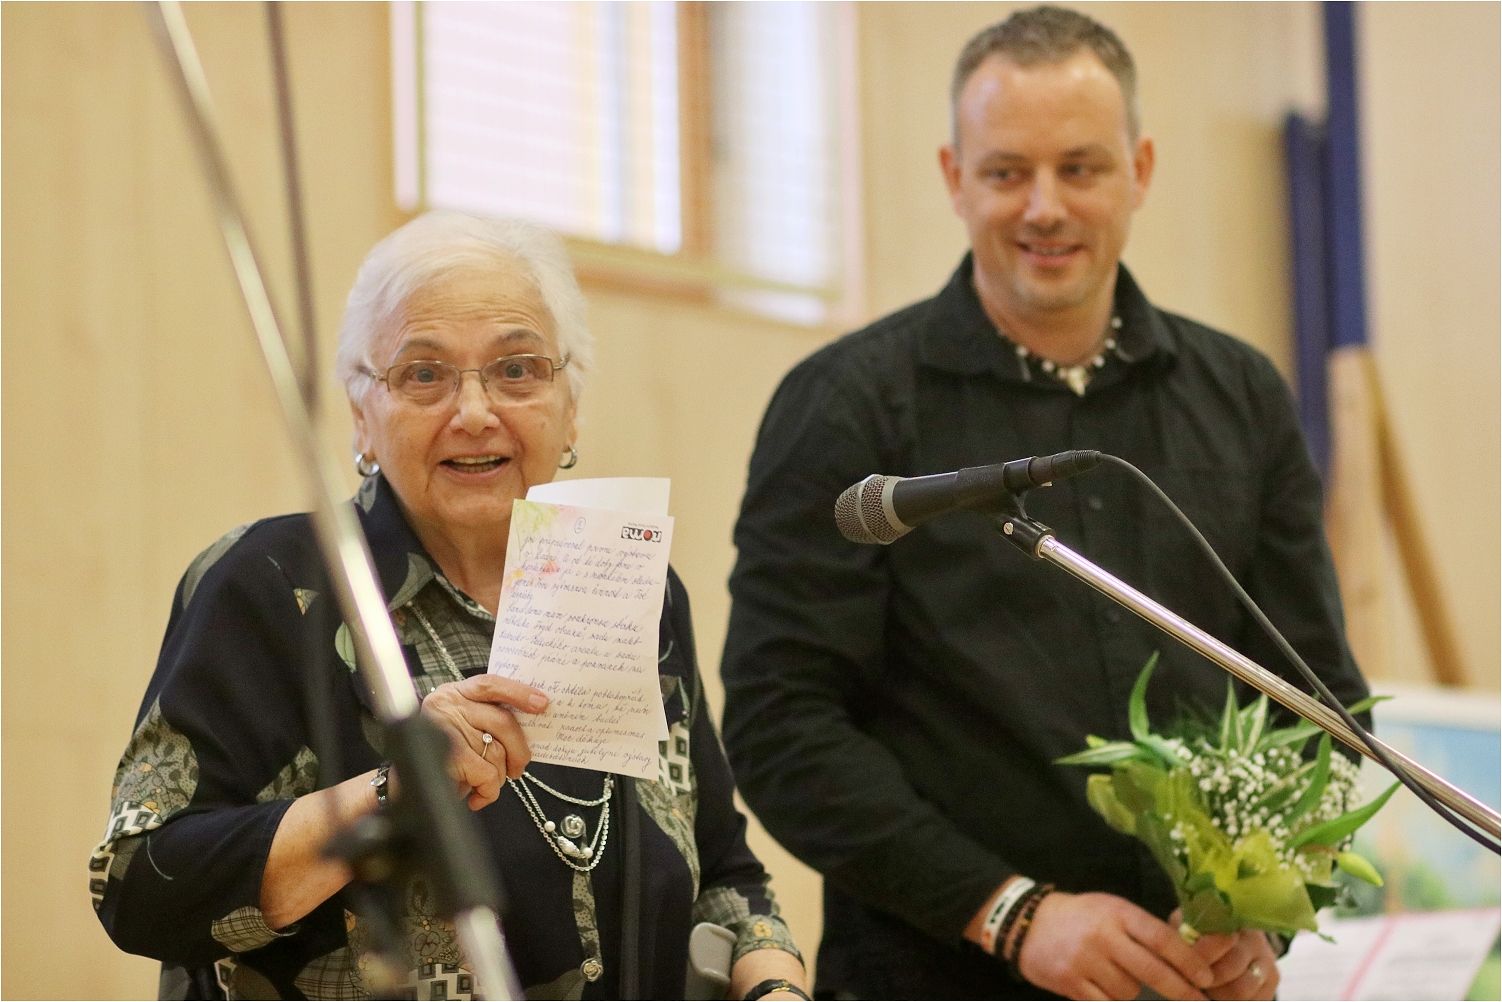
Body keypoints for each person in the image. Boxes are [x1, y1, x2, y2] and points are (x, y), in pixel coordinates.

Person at [721, 7, 1369, 1000]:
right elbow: (781, 723)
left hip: (1190, 977)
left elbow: (1316, 700)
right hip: (936, 975)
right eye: (1005, 172)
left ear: (1139, 170)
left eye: (1080, 168)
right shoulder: (844, 406)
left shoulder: (1240, 394)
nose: (1044, 207)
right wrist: (1008, 911)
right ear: (954, 178)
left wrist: (1260, 912)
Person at [90, 211, 809, 1001]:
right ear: (363, 417)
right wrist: (393, 790)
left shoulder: (632, 584)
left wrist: (774, 985)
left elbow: (724, 871)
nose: (473, 412)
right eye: (425, 375)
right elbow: (139, 885)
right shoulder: (274, 586)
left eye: (517, 369)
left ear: (570, 406)